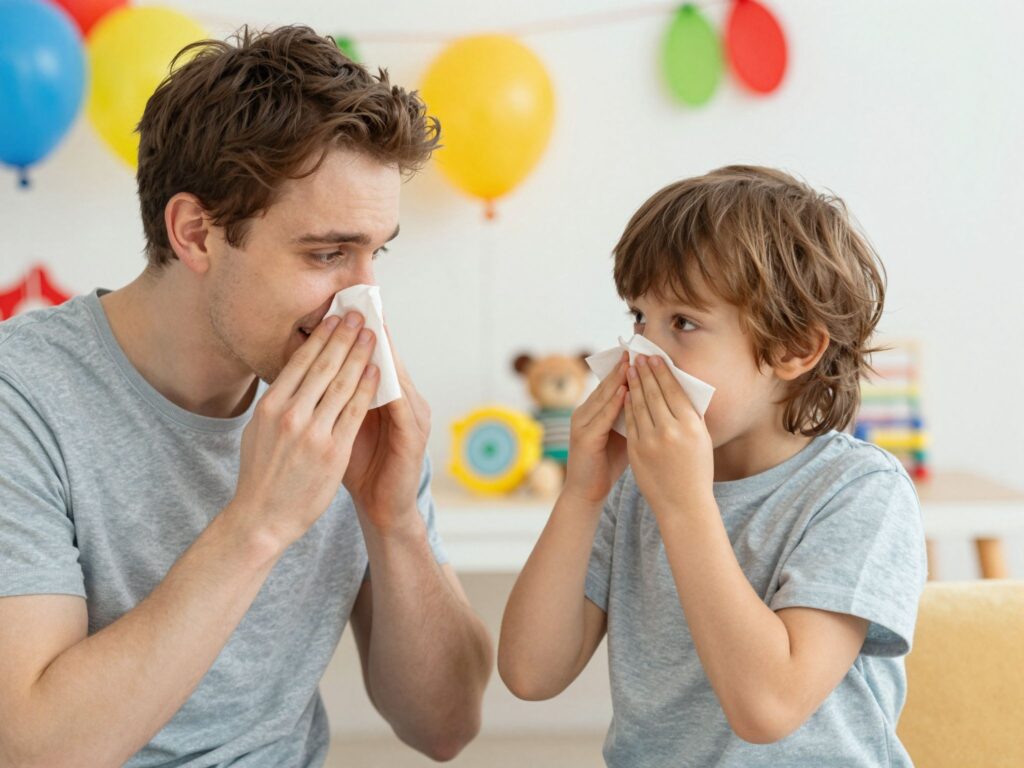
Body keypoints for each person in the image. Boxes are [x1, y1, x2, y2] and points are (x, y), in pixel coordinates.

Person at [0, 26, 492, 768]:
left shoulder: (347, 398)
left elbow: (445, 727)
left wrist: (393, 521)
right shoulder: (23, 399)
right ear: (197, 233)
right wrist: (260, 522)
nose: (364, 298)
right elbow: (36, 749)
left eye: (375, 252)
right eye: (327, 253)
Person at [499, 166, 927, 766]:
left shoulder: (858, 494)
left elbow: (767, 710)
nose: (643, 350)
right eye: (639, 319)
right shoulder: (633, 489)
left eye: (684, 323)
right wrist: (582, 493)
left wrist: (684, 503)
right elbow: (530, 673)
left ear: (793, 348)